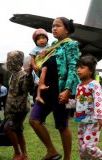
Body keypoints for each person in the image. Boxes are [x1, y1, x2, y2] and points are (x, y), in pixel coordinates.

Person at [29, 17, 80, 160]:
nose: (54, 28)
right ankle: (51, 151)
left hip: (61, 91)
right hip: (46, 91)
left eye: (58, 26)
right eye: (52, 26)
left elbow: (72, 68)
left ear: (67, 29)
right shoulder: (52, 46)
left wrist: (68, 89)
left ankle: (67, 158)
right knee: (34, 120)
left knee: (62, 126)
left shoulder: (70, 45)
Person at [75, 55, 102, 160]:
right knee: (81, 148)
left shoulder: (94, 85)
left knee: (88, 146)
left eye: (82, 68)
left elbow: (99, 101)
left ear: (90, 70)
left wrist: (100, 118)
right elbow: (79, 102)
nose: (78, 70)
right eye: (77, 67)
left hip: (93, 119)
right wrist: (66, 102)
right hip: (82, 119)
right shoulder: (79, 86)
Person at [4, 50, 34, 160]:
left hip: (19, 108)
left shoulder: (21, 75)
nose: (8, 63)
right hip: (13, 108)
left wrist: (29, 75)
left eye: (10, 61)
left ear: (16, 62)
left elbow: (27, 87)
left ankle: (18, 153)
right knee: (18, 130)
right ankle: (25, 155)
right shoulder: (13, 75)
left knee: (8, 128)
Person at [29, 28, 50, 103]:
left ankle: (40, 95)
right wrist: (34, 65)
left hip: (48, 67)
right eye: (38, 39)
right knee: (40, 81)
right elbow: (32, 58)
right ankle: (38, 95)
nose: (41, 40)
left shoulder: (49, 46)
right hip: (39, 69)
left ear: (47, 39)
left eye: (43, 38)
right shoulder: (35, 49)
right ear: (35, 41)